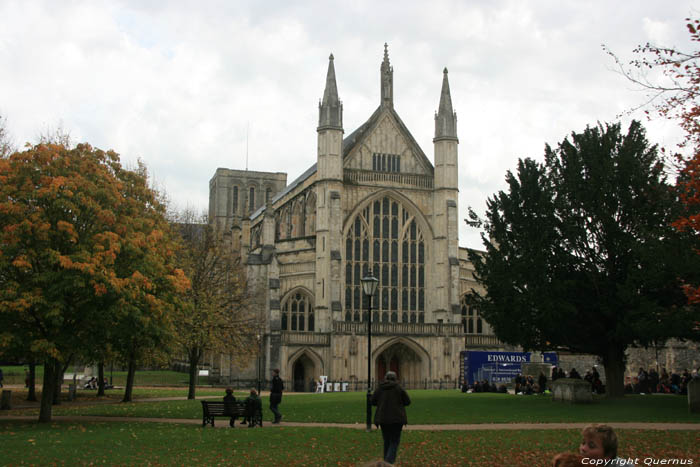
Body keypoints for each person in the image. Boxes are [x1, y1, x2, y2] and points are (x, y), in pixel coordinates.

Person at [371, 371, 411, 465]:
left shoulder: (380, 388)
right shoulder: (398, 388)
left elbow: (372, 401)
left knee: (387, 441)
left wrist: (381, 403)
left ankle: (386, 462)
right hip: (397, 419)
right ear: (395, 378)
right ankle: (388, 462)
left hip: (383, 418)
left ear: (385, 378)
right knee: (394, 441)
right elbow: (408, 401)